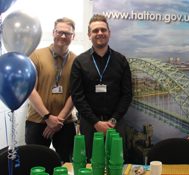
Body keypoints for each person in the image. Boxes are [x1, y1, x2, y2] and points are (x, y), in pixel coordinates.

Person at [70, 14, 132, 161]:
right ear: (89, 35)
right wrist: (96, 123)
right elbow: (77, 96)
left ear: (109, 33)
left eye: (103, 30)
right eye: (95, 30)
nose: (100, 33)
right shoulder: (80, 62)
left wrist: (113, 121)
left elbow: (127, 94)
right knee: (91, 163)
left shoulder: (121, 60)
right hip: (89, 124)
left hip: (115, 124)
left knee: (116, 162)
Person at [26, 17, 77, 163]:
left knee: (66, 164)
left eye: (67, 33)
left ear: (73, 36)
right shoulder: (36, 55)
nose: (62, 36)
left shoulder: (76, 61)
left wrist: (58, 121)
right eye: (59, 32)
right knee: (36, 164)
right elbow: (31, 90)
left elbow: (75, 94)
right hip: (37, 121)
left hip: (65, 123)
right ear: (53, 32)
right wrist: (48, 117)